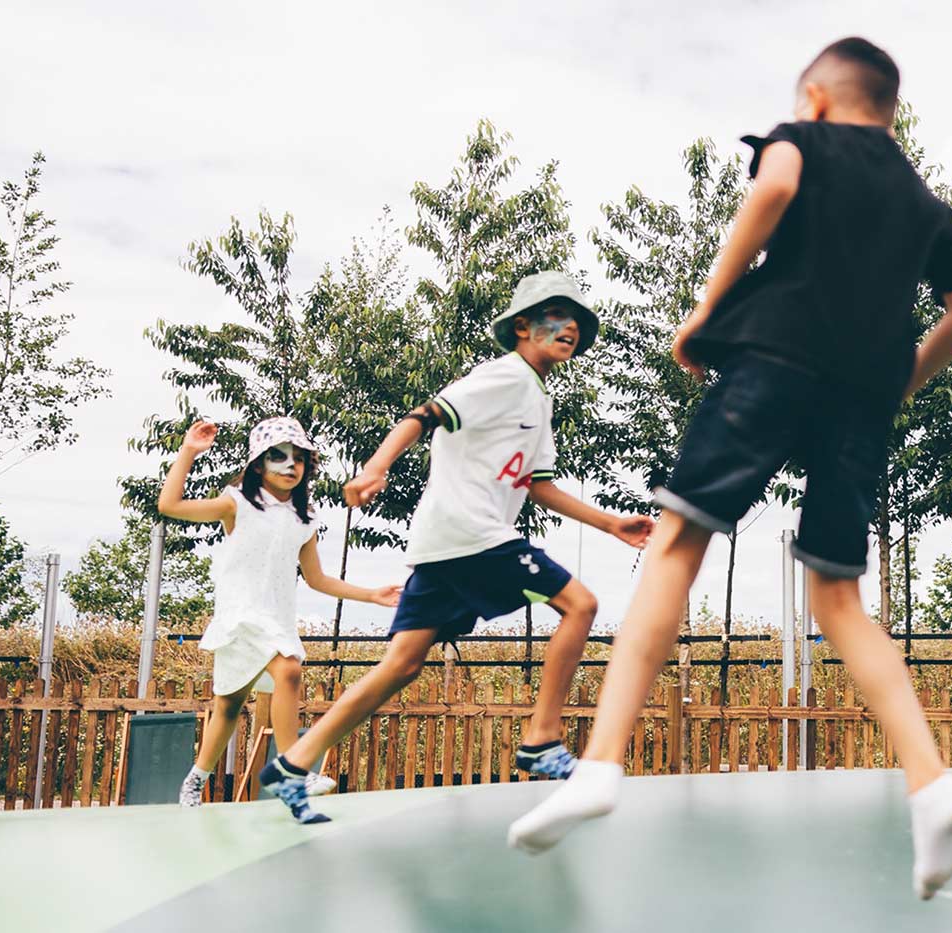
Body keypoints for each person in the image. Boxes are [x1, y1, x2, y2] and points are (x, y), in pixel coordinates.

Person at [506, 37, 952, 900]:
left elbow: (771, 189)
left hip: (775, 357)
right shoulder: (929, 205)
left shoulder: (798, 138)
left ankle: (602, 766)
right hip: (862, 393)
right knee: (839, 599)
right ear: (890, 107)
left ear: (816, 96)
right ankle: (932, 781)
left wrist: (703, 311)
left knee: (677, 544)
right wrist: (899, 382)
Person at [258, 271, 655, 824]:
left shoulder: (537, 398)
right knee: (579, 605)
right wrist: (375, 469)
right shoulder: (503, 377)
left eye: (577, 324)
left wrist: (611, 523)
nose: (568, 328)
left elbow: (538, 486)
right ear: (522, 327)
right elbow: (424, 415)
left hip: (445, 544)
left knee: (401, 664)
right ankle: (541, 739)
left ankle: (293, 764)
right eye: (554, 316)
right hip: (473, 534)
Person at [158, 416, 403, 807]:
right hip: (240, 615)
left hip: (275, 618)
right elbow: (169, 505)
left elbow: (318, 579)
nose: (291, 466)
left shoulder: (304, 518)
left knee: (263, 685)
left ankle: (266, 774)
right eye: (278, 457)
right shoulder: (235, 504)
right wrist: (189, 450)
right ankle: (227, 778)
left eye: (298, 459)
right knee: (240, 699)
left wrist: (371, 594)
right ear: (258, 464)